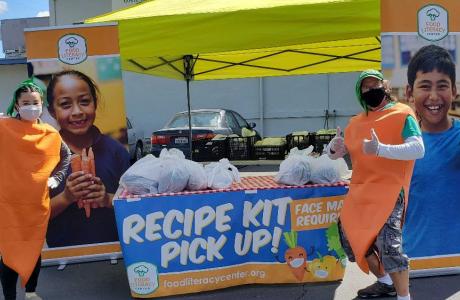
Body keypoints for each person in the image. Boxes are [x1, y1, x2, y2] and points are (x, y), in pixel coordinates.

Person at [326, 69, 425, 300]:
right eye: (366, 88)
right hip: (360, 192)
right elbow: (336, 155)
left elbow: (418, 149)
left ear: (385, 87)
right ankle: (385, 282)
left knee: (390, 247)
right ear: (360, 93)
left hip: (390, 191)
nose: (372, 90)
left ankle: (404, 297)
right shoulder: (356, 123)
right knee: (353, 240)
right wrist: (333, 148)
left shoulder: (402, 113)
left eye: (375, 85)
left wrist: (382, 149)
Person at [0, 79, 70, 300]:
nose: (31, 106)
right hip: (8, 203)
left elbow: (65, 156)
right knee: (10, 250)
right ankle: (10, 296)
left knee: (33, 248)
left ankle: (30, 293)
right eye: (26, 102)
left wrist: (57, 177)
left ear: (42, 104)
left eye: (35, 102)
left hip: (36, 203)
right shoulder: (4, 128)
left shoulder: (50, 133)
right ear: (17, 105)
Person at [46, 70, 131, 247]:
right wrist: (66, 198)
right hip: (62, 258)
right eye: (65, 104)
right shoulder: (42, 155)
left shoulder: (116, 151)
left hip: (114, 251)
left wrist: (107, 199)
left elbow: (135, 206)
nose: (77, 112)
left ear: (95, 103)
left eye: (84, 102)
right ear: (52, 111)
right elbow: (31, 217)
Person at [403, 45, 460, 259]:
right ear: (410, 92)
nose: (434, 96)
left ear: (454, 90)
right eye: (425, 86)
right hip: (415, 262)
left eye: (442, 86)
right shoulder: (401, 144)